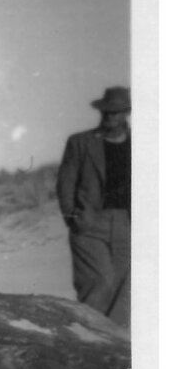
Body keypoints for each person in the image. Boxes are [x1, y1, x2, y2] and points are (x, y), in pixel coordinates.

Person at [56, 86, 131, 328]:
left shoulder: (144, 144)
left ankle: (115, 346)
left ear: (126, 113)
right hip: (90, 223)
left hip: (128, 224)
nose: (110, 117)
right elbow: (65, 182)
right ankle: (88, 337)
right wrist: (73, 217)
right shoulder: (81, 142)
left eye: (116, 112)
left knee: (124, 288)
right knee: (99, 282)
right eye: (106, 112)